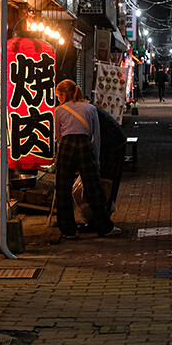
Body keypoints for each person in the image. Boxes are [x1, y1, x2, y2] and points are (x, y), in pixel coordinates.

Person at [53, 80, 121, 239]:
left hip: (66, 146)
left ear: (63, 95)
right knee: (93, 188)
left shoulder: (59, 110)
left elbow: (58, 136)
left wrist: (61, 151)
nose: (58, 99)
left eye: (58, 96)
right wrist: (96, 160)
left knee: (63, 189)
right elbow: (96, 136)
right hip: (85, 146)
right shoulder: (90, 108)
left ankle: (68, 230)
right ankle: (103, 226)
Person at [75, 103, 127, 231]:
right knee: (105, 182)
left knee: (105, 183)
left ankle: (99, 219)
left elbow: (94, 136)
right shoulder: (85, 107)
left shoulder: (83, 110)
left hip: (111, 145)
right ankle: (100, 218)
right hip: (113, 142)